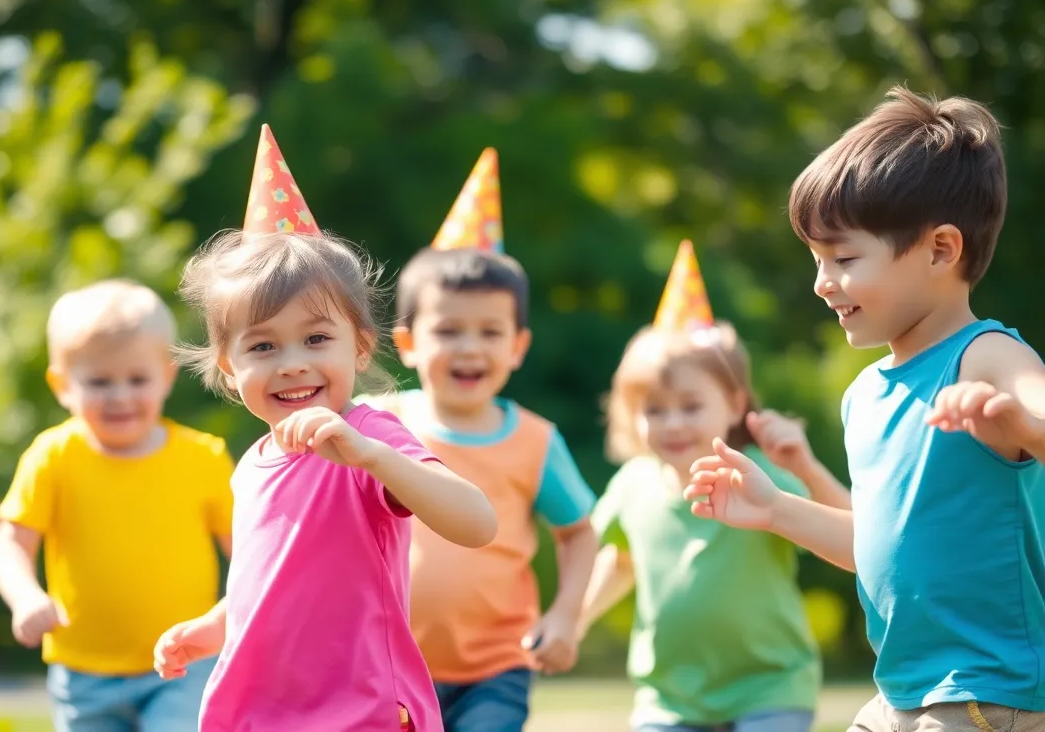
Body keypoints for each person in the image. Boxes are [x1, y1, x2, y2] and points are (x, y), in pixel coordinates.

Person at [686, 87, 1045, 731]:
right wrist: (775, 508)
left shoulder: (987, 357)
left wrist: (1021, 426)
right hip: (900, 696)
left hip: (985, 695)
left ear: (940, 249)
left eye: (844, 258)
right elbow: (880, 547)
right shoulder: (866, 394)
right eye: (818, 260)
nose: (823, 281)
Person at [152, 125, 498, 732]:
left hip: (360, 710)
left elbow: (478, 523)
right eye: (262, 345)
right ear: (230, 370)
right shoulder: (251, 465)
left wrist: (372, 459)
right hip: (261, 711)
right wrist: (215, 625)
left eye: (317, 338)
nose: (293, 362)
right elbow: (277, 580)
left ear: (361, 348)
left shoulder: (368, 437)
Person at [362, 147, 599, 732]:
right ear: (409, 343)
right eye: (448, 330)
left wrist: (566, 616)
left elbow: (579, 532)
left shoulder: (537, 442)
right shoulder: (374, 423)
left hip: (497, 666)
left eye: (489, 332)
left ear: (517, 347)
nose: (469, 348)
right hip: (384, 663)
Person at [581, 240, 849, 732]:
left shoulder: (760, 476)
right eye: (654, 409)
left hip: (771, 685)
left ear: (732, 404)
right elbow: (619, 562)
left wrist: (807, 469)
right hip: (669, 699)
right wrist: (573, 622)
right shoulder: (633, 483)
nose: (673, 423)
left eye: (690, 405)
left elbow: (850, 532)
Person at [0, 279, 234, 732]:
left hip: (184, 662)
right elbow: (10, 543)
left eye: (136, 379)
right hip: (83, 671)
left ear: (166, 376)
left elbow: (249, 552)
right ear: (62, 386)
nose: (119, 396)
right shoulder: (54, 456)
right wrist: (24, 597)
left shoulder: (203, 457)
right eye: (99, 381)